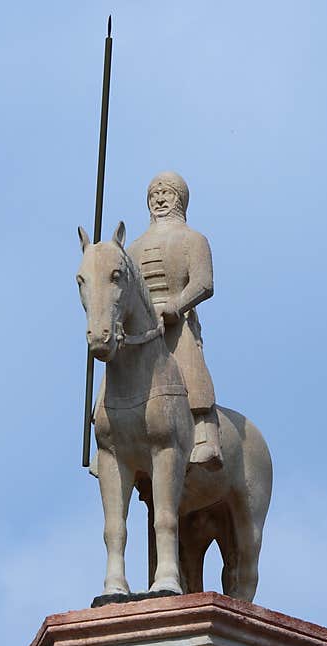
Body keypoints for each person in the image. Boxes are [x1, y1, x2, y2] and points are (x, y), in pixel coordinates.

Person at [126, 171, 223, 471]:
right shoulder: (132, 249)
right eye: (154, 194)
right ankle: (109, 437)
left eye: (166, 193)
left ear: (179, 199)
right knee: (119, 366)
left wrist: (176, 306)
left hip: (176, 320)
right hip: (139, 328)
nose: (159, 199)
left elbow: (204, 283)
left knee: (188, 364)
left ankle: (206, 436)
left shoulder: (193, 239)